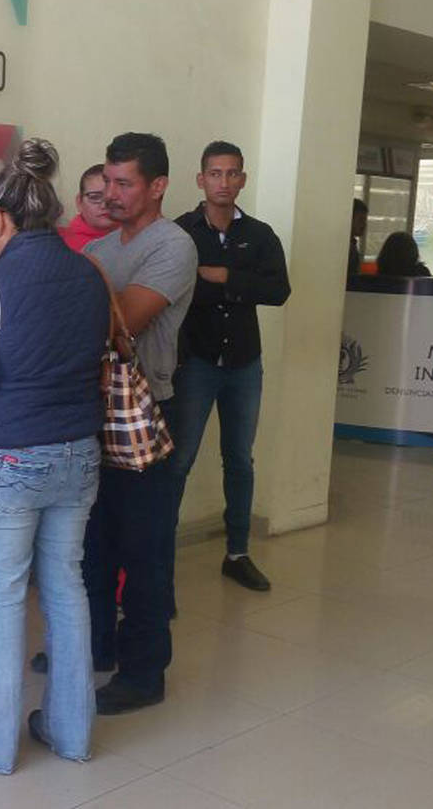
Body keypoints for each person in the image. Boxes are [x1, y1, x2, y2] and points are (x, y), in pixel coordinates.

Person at [0, 139, 109, 775]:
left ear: (0, 218)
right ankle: (71, 732)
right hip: (79, 453)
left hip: (9, 457)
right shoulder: (90, 274)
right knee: (66, 587)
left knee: (5, 598)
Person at [82, 132, 196, 715]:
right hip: (95, 411)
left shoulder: (173, 246)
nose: (111, 193)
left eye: (124, 183)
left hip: (148, 411)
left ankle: (144, 672)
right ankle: (96, 647)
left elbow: (122, 320)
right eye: (107, 181)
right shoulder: (100, 249)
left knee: (143, 550)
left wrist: (78, 293)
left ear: (158, 186)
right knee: (93, 543)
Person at [170, 141, 291, 594]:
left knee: (239, 459)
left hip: (243, 362)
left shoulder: (259, 235)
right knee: (179, 460)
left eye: (232, 173)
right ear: (200, 179)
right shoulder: (181, 232)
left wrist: (224, 277)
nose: (224, 182)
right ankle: (159, 556)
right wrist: (240, 285)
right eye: (215, 173)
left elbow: (278, 290)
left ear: (243, 179)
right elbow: (177, 290)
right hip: (196, 362)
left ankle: (237, 553)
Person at [59, 163, 119, 252]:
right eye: (95, 197)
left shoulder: (136, 237)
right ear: (79, 202)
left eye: (112, 198)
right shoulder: (61, 244)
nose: (104, 205)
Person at [348, 198, 368, 286]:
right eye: (360, 220)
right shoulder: (348, 249)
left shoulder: (352, 245)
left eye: (365, 220)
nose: (364, 224)